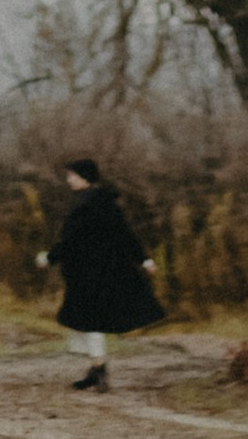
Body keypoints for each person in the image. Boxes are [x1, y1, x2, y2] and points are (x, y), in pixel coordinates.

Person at [40, 156, 162, 390]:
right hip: (104, 270)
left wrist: (49, 258)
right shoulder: (107, 202)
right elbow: (125, 235)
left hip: (87, 273)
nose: (69, 180)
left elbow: (71, 241)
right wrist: (144, 260)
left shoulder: (84, 205)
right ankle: (96, 369)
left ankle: (99, 369)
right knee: (87, 320)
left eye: (72, 176)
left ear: (85, 178)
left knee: (88, 320)